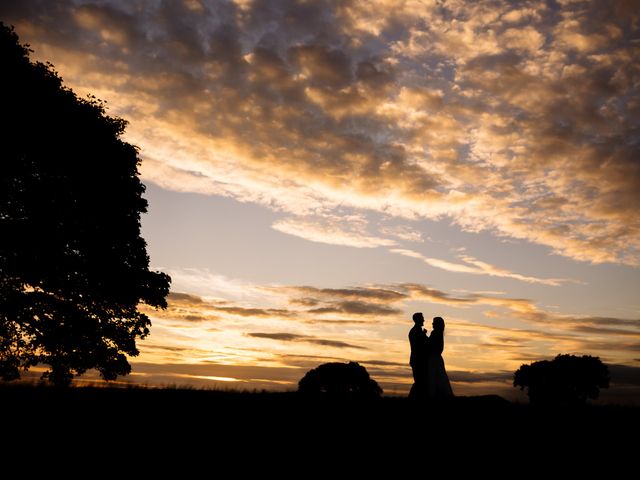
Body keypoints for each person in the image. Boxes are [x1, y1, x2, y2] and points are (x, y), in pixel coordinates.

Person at [426, 316, 454, 400]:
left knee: (434, 377)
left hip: (434, 359)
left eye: (434, 322)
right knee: (440, 377)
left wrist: (424, 336)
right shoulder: (439, 333)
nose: (432, 324)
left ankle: (435, 395)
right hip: (437, 358)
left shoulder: (435, 333)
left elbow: (429, 345)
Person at [408, 312, 430, 399]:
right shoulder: (415, 331)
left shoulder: (417, 331)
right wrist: (424, 336)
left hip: (418, 360)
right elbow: (421, 345)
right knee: (420, 382)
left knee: (420, 382)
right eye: (422, 318)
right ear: (417, 320)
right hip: (418, 361)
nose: (423, 320)